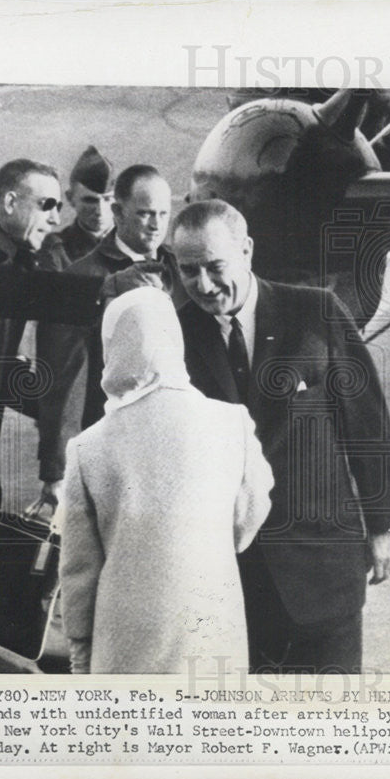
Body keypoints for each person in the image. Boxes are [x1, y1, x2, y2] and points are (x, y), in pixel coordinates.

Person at [170, 199, 390, 673]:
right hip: (228, 583)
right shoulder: (173, 335)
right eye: (188, 271)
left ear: (247, 251)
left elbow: (366, 422)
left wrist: (384, 525)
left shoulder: (315, 312)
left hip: (322, 570)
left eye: (215, 267)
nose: (204, 285)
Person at [0, 159, 104, 662]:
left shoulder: (6, 253)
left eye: (59, 206)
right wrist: (107, 289)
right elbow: (15, 292)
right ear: (9, 201)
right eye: (46, 204)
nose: (56, 217)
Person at [58, 287, 273, 673]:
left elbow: (79, 571)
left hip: (122, 640)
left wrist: (80, 657)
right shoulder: (231, 423)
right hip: (211, 631)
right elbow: (247, 521)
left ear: (113, 348)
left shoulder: (87, 448)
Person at [29, 164, 176, 517]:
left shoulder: (184, 269)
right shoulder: (81, 281)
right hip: (111, 456)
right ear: (118, 212)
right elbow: (65, 383)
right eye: (144, 214)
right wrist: (57, 473)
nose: (155, 225)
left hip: (176, 448)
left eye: (163, 214)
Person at [36, 145, 116, 271]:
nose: (99, 211)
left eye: (107, 199)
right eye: (90, 200)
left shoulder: (139, 244)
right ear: (70, 198)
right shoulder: (55, 250)